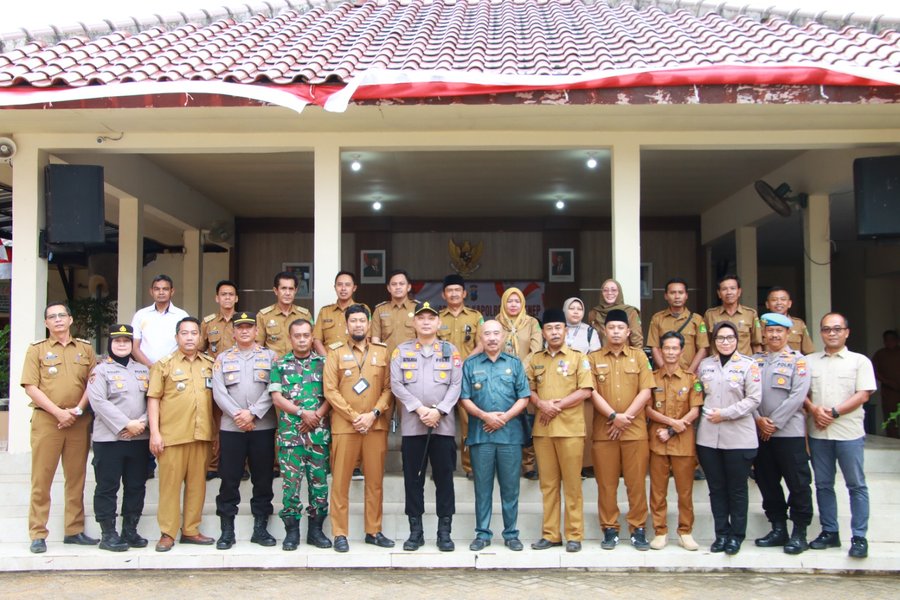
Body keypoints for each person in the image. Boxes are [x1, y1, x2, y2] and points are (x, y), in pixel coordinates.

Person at [21, 302, 98, 554]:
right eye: (51, 317)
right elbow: (31, 386)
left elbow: (93, 381)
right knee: (41, 479)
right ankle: (38, 532)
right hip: (48, 420)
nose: (57, 320)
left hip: (78, 420)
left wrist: (77, 409)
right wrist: (58, 412)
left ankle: (73, 530)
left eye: (61, 315)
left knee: (76, 478)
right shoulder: (36, 350)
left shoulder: (85, 349)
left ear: (70, 319)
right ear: (46, 323)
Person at [390, 302, 462, 552]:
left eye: (431, 318)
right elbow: (396, 384)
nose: (426, 322)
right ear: (414, 322)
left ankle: (444, 532)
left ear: (439, 323)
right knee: (413, 480)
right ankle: (416, 532)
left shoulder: (450, 351)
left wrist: (439, 411)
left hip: (442, 426)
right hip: (413, 426)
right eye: (421, 318)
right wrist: (420, 410)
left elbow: (456, 385)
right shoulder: (402, 351)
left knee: (444, 479)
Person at [804, 312, 877, 559]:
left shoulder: (860, 361)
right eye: (826, 329)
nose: (832, 333)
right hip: (818, 434)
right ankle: (829, 532)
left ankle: (859, 536)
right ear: (821, 333)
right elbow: (800, 392)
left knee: (855, 485)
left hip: (849, 434)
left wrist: (833, 413)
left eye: (837, 329)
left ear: (846, 332)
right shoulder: (809, 361)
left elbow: (863, 395)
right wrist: (814, 410)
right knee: (823, 485)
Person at [323, 304, 395, 553]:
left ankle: (373, 530)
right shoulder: (335, 353)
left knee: (374, 482)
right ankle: (340, 533)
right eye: (353, 321)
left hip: (375, 427)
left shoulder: (382, 352)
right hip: (345, 427)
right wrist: (355, 417)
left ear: (368, 324)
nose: (358, 325)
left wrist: (373, 414)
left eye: (362, 321)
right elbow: (330, 390)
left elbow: (389, 389)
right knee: (341, 481)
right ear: (346, 325)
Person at [587, 309, 655, 551]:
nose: (615, 332)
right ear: (604, 331)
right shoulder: (593, 358)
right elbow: (591, 391)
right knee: (606, 484)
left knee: (636, 483)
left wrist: (625, 418)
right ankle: (610, 528)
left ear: (628, 332)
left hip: (634, 431)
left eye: (620, 328)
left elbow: (646, 391)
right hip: (605, 431)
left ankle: (638, 528)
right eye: (611, 327)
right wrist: (614, 417)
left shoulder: (639, 357)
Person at [459, 320, 530, 552]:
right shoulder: (470, 365)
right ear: (480, 337)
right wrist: (484, 416)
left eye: (496, 334)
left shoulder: (515, 364)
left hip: (510, 436)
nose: (491, 338)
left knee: (510, 489)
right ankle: (482, 534)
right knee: (483, 488)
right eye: (487, 334)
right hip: (481, 436)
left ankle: (511, 534)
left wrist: (504, 418)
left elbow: (524, 397)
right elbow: (464, 397)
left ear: (503, 337)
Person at [148, 316, 216, 552]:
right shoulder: (163, 365)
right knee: (169, 487)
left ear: (200, 336)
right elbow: (153, 399)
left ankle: (191, 530)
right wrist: (154, 433)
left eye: (194, 333)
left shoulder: (210, 363)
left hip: (201, 435)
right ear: (176, 337)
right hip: (172, 436)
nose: (189, 337)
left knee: (197, 486)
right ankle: (167, 533)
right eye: (184, 333)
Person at [527, 308, 593, 553]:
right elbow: (528, 389)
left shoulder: (578, 358)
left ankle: (574, 534)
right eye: (549, 328)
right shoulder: (535, 359)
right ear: (543, 332)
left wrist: (557, 406)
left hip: (570, 430)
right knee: (548, 485)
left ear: (566, 331)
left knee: (573, 484)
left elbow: (586, 390)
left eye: (558, 328)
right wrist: (541, 404)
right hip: (543, 432)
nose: (554, 332)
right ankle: (551, 534)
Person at [211, 312, 277, 550]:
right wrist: (239, 416)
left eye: (249, 327)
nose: (245, 331)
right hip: (232, 428)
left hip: (263, 426)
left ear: (256, 331)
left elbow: (274, 388)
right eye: (240, 328)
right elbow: (218, 392)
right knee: (229, 479)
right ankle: (226, 530)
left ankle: (260, 528)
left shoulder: (271, 357)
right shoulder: (222, 358)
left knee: (263, 478)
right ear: (234, 332)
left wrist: (253, 414)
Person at [695, 321, 762, 555]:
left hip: (739, 437)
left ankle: (736, 536)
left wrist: (725, 414)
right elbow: (697, 395)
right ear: (713, 341)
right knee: (716, 488)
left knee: (737, 489)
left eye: (730, 338)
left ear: (737, 339)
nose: (725, 342)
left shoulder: (749, 365)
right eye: (721, 338)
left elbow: (754, 400)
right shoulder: (704, 365)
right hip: (708, 438)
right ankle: (721, 534)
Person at [751, 313, 813, 555]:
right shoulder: (756, 361)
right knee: (767, 483)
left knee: (798, 484)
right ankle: (778, 528)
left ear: (788, 334)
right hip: (761, 433)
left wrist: (773, 423)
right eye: (770, 331)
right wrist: (759, 420)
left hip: (789, 434)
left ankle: (800, 532)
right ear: (764, 334)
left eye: (780, 331)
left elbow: (798, 396)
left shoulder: (799, 362)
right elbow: (750, 394)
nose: (774, 335)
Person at [269, 319, 333, 550]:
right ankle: (292, 533)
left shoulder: (324, 363)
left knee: (319, 485)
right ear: (290, 337)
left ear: (312, 336)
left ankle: (316, 532)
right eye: (298, 335)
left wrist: (315, 417)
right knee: (291, 486)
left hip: (317, 436)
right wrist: (301, 413)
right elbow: (277, 397)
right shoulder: (280, 364)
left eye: (306, 335)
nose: (303, 339)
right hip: (291, 436)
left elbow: (331, 395)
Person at [87, 324, 151, 552]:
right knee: (107, 486)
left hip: (139, 439)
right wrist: (126, 424)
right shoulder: (100, 371)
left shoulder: (143, 370)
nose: (122, 345)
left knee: (136, 486)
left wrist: (141, 423)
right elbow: (99, 403)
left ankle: (130, 531)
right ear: (110, 344)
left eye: (126, 341)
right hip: (110, 440)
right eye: (117, 341)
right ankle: (108, 534)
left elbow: (151, 400)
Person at [645, 331, 703, 551]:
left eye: (674, 348)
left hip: (683, 443)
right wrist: (671, 423)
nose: (670, 352)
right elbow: (648, 408)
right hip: (658, 443)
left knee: (684, 491)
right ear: (660, 351)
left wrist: (674, 429)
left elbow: (695, 410)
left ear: (681, 350)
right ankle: (660, 531)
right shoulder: (652, 378)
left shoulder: (691, 379)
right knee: (658, 491)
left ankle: (685, 531)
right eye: (666, 348)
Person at [438, 273, 485, 481]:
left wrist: (464, 362)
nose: (454, 293)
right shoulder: (437, 318)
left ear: (465, 293)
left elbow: (482, 344)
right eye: (450, 290)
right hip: (441, 377)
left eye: (458, 290)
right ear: (444, 294)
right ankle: (442, 467)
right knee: (440, 422)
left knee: (469, 422)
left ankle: (470, 467)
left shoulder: (475, 316)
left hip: (467, 376)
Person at [495, 286, 542, 479]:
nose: (513, 305)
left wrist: (519, 370)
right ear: (503, 302)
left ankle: (528, 465)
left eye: (517, 301)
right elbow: (490, 346)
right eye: (509, 301)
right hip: (499, 379)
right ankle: (502, 465)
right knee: (502, 420)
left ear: (522, 303)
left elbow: (536, 349)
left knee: (526, 421)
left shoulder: (531, 323)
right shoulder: (496, 322)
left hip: (526, 378)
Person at [200, 279, 239, 481]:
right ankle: (214, 465)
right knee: (215, 423)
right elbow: (199, 350)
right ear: (217, 298)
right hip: (215, 380)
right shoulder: (208, 323)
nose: (227, 298)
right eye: (223, 294)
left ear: (236, 298)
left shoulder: (243, 321)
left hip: (239, 381)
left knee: (239, 420)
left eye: (231, 294)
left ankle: (242, 466)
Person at [563, 297, 601, 479]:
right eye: (572, 308)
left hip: (582, 384)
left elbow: (594, 358)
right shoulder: (557, 328)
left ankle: (586, 465)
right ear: (565, 311)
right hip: (561, 384)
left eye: (579, 308)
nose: (576, 311)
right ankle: (565, 465)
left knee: (585, 427)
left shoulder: (590, 332)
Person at [647, 278, 709, 373]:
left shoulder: (697, 319)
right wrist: (665, 370)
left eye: (680, 293)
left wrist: (689, 372)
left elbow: (703, 349)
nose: (677, 296)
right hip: (663, 375)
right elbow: (654, 347)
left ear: (686, 296)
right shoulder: (657, 318)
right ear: (666, 296)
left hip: (689, 372)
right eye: (672, 293)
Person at [131, 274, 189, 367]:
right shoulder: (141, 315)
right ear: (151, 291)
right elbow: (134, 347)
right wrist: (151, 367)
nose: (161, 292)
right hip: (145, 370)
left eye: (165, 289)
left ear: (172, 291)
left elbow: (187, 345)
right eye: (157, 289)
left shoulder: (181, 316)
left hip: (174, 370)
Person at [256, 271, 314, 359]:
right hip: (273, 367)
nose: (287, 293)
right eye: (283, 288)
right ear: (276, 291)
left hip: (299, 367)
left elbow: (312, 343)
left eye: (291, 289)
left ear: (295, 290)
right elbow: (257, 346)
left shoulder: (305, 315)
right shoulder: (263, 316)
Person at [703, 274, 762, 356]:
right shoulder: (710, 315)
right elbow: (705, 345)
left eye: (732, 288)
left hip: (744, 366)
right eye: (724, 289)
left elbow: (756, 344)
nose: (729, 292)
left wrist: (758, 365)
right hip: (717, 365)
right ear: (719, 293)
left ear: (739, 292)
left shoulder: (750, 314)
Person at [313, 271, 368, 356]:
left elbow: (368, 337)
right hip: (329, 360)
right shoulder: (324, 311)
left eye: (347, 285)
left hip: (355, 361)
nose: (343, 288)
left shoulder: (362, 309)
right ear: (335, 287)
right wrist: (327, 361)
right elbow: (316, 340)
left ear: (354, 288)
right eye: (339, 285)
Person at [371, 269, 419, 357]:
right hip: (386, 361)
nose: (398, 287)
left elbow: (423, 338)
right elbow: (375, 339)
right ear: (389, 288)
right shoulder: (380, 310)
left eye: (401, 284)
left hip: (412, 361)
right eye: (394, 284)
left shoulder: (417, 308)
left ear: (408, 287)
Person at [588, 278, 643, 348]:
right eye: (605, 290)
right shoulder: (594, 313)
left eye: (613, 290)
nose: (609, 293)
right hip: (600, 356)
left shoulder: (630, 312)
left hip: (624, 356)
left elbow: (637, 340)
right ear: (602, 293)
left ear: (619, 292)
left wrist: (637, 357)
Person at [764, 287, 815, 354]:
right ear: (767, 304)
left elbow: (809, 351)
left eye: (783, 299)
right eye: (774, 300)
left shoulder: (799, 324)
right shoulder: (761, 325)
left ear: (789, 303)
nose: (779, 303)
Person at [872, 330, 900, 439]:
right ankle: (893, 440)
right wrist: (887, 382)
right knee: (890, 416)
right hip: (889, 390)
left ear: (897, 340)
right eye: (886, 340)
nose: (889, 342)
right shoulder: (880, 354)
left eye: (892, 340)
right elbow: (873, 371)